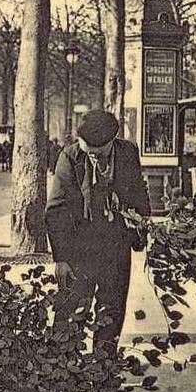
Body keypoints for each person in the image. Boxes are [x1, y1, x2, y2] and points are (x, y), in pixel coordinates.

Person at [45, 110, 151, 356]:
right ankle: (62, 371)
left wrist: (142, 219)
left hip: (116, 248)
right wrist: (60, 259)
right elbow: (56, 211)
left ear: (112, 141)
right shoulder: (70, 156)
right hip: (79, 249)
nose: (92, 156)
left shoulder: (128, 152)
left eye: (98, 152)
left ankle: (103, 371)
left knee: (111, 313)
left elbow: (138, 188)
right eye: (87, 150)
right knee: (71, 313)